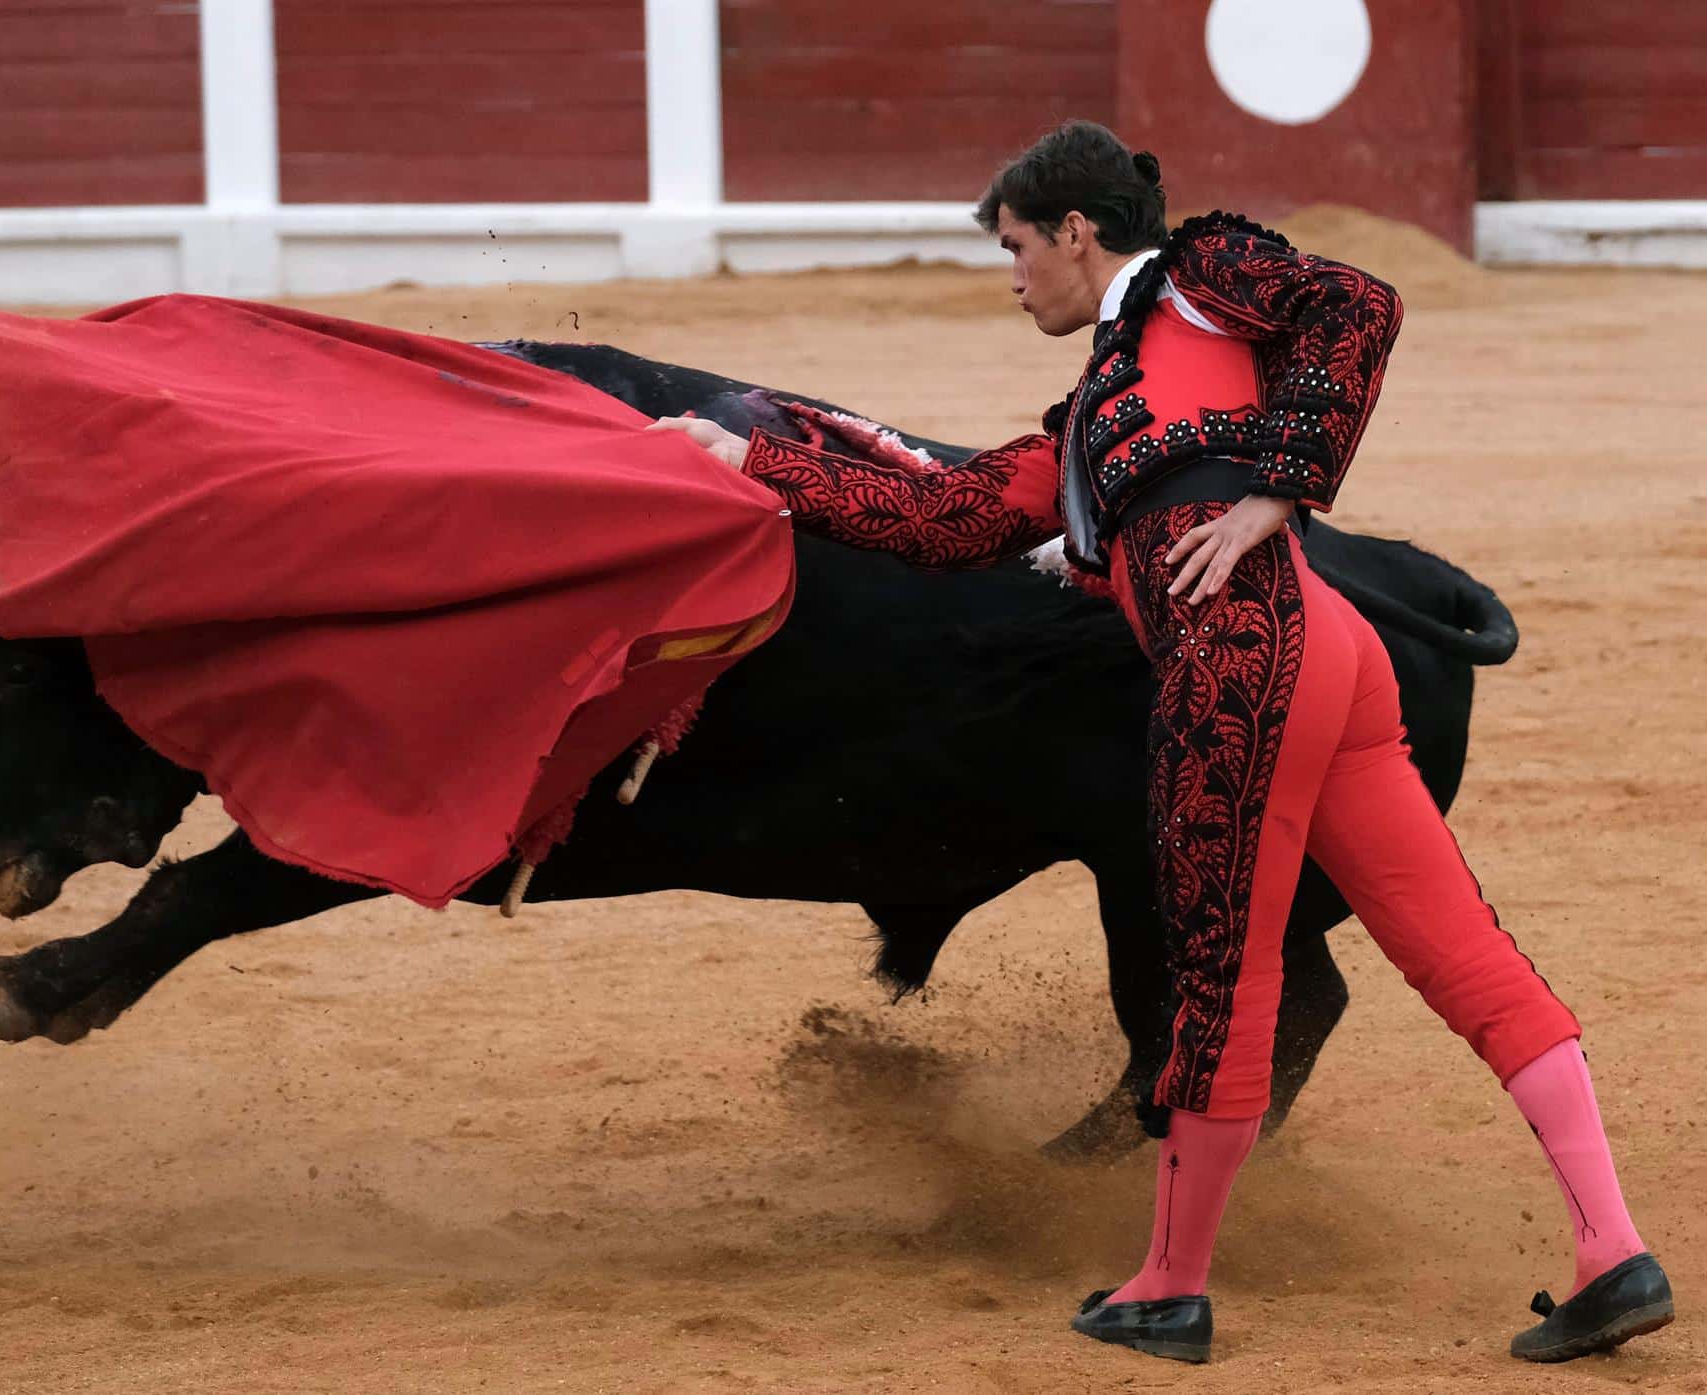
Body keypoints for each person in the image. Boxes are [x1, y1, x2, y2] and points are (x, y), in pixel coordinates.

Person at [647, 121, 1671, 1366]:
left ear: (1078, 231)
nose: (1013, 274)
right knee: (1462, 956)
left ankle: (1170, 1286)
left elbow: (1358, 304)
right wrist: (742, 455)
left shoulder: (1201, 275)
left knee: (1220, 983)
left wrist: (1278, 493)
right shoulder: (1093, 419)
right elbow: (938, 513)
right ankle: (1611, 1251)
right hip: (1327, 657)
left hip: (1247, 667)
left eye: (1019, 247)